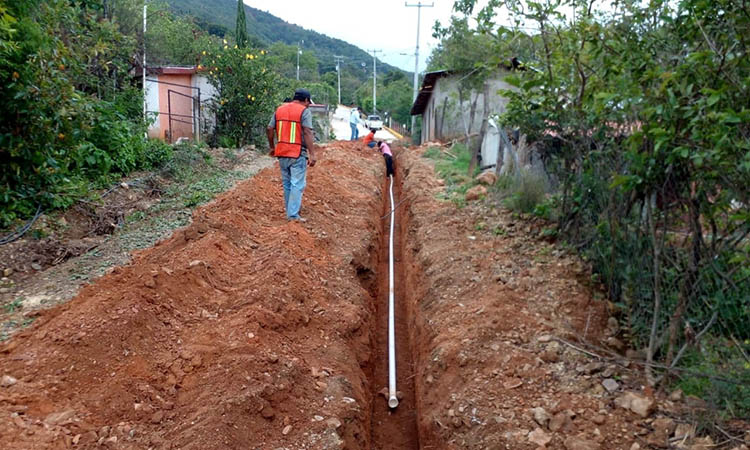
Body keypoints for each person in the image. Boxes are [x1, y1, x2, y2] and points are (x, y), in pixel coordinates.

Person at [266, 88, 317, 222]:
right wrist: (312, 154)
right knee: (297, 184)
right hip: (297, 153)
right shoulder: (304, 112)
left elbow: (270, 128)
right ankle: (293, 215)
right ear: (305, 100)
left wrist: (272, 147)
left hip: (282, 152)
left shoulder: (280, 110)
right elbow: (307, 132)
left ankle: (291, 212)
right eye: (308, 102)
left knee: (288, 183)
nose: (308, 105)